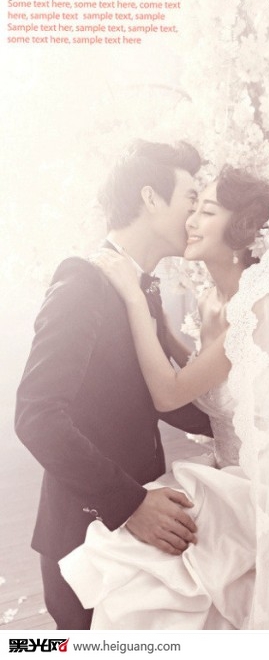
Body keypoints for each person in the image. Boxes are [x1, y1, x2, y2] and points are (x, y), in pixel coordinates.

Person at [60, 166, 269, 630]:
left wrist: (135, 302)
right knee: (153, 576)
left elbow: (170, 393)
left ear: (241, 229)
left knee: (153, 577)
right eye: (194, 208)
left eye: (208, 211)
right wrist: (162, 330)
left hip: (267, 479)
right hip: (231, 472)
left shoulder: (258, 305)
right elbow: (211, 378)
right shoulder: (209, 302)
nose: (192, 221)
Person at [15, 140, 213, 630]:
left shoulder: (141, 287)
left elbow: (159, 395)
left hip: (139, 539)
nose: (195, 216)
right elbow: (37, 416)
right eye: (190, 198)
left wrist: (245, 422)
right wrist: (130, 505)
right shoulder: (82, 282)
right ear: (150, 198)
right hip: (85, 542)